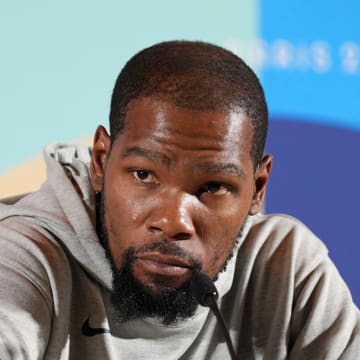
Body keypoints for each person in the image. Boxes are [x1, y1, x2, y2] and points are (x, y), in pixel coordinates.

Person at [0, 40, 359, 360]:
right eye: (144, 175)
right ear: (100, 161)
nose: (173, 221)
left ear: (258, 187)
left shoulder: (287, 267)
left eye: (214, 187)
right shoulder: (24, 257)